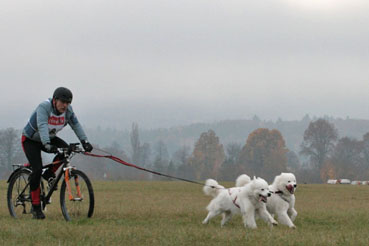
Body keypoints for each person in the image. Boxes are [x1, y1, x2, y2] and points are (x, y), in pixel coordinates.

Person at [22, 87, 93, 219]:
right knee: (37, 170)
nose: (65, 105)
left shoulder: (68, 111)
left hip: (49, 137)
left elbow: (76, 125)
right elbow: (42, 125)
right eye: (63, 102)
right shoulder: (44, 107)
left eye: (68, 103)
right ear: (55, 100)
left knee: (67, 149)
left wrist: (85, 141)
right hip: (30, 140)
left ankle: (49, 173)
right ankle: (36, 207)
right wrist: (47, 144)